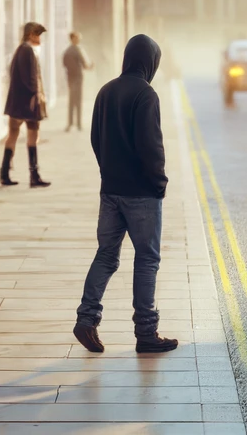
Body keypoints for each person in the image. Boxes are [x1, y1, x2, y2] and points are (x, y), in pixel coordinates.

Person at [73, 34, 178, 355]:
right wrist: (159, 182)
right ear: (150, 62)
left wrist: (108, 171)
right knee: (147, 259)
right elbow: (151, 146)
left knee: (106, 254)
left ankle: (86, 319)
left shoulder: (106, 90)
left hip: (111, 190)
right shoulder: (146, 94)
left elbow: (95, 138)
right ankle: (146, 332)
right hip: (141, 194)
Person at [2, 22, 51, 188]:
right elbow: (31, 78)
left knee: (13, 135)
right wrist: (35, 97)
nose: (40, 38)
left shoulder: (20, 50)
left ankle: (5, 173)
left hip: (18, 102)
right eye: (38, 34)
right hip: (28, 103)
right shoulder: (28, 51)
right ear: (31, 34)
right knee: (32, 136)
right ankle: (33, 175)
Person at [63, 32, 93, 131]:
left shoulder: (67, 51)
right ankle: (79, 124)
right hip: (78, 78)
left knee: (71, 101)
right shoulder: (78, 50)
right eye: (77, 38)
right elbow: (84, 64)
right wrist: (90, 66)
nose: (79, 40)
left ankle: (70, 123)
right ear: (73, 39)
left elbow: (64, 64)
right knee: (78, 101)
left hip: (70, 78)